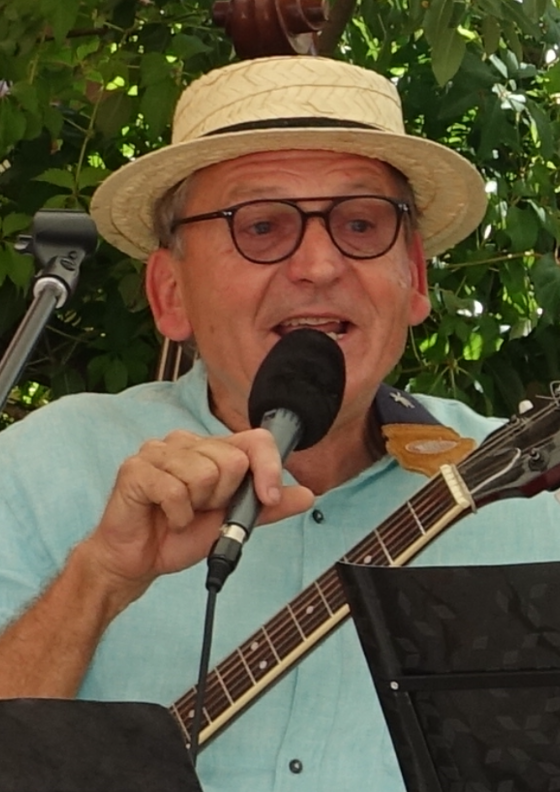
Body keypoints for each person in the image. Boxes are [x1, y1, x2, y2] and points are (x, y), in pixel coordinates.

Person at [0, 55, 559, 791]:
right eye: (261, 226)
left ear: (416, 280)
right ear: (170, 293)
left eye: (360, 224)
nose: (320, 265)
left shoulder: (535, 495)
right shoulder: (39, 465)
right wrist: (97, 578)